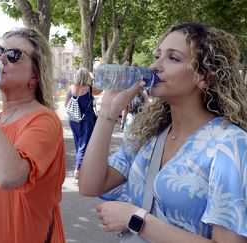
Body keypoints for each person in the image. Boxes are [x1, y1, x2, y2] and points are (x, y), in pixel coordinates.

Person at [79, 22, 247, 242]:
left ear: (206, 77)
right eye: (158, 56)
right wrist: (109, 112)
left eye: (173, 58)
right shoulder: (148, 133)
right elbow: (90, 185)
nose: (155, 66)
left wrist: (137, 219)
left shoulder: (230, 144)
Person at [0, 28, 66, 242]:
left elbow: (7, 175)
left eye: (13, 55)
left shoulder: (44, 119)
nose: (1, 59)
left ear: (36, 75)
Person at [65, 68, 101, 179]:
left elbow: (66, 105)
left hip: (74, 120)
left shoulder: (70, 88)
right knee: (84, 144)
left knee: (79, 143)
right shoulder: (89, 88)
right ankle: (78, 169)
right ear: (86, 77)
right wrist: (93, 77)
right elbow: (101, 89)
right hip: (87, 121)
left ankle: (81, 166)